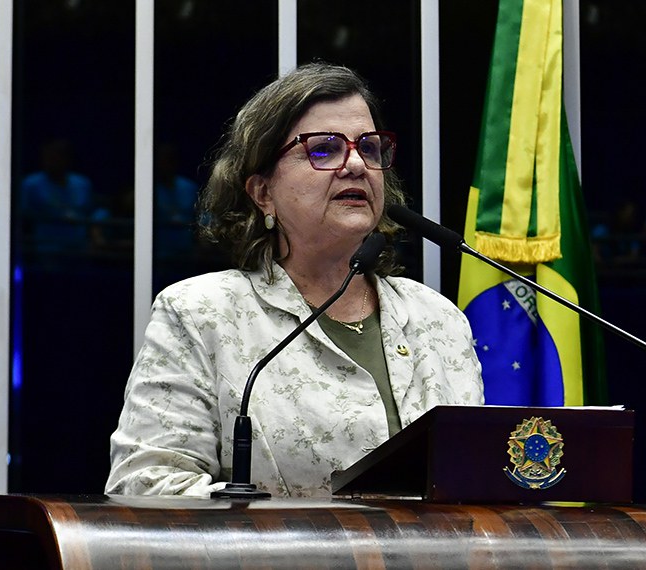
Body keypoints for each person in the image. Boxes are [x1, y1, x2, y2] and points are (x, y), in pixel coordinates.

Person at [106, 63, 485, 498]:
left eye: (370, 147)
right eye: (324, 150)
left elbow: (472, 483)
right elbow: (145, 487)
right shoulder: (201, 313)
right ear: (262, 192)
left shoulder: (439, 319)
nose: (357, 164)